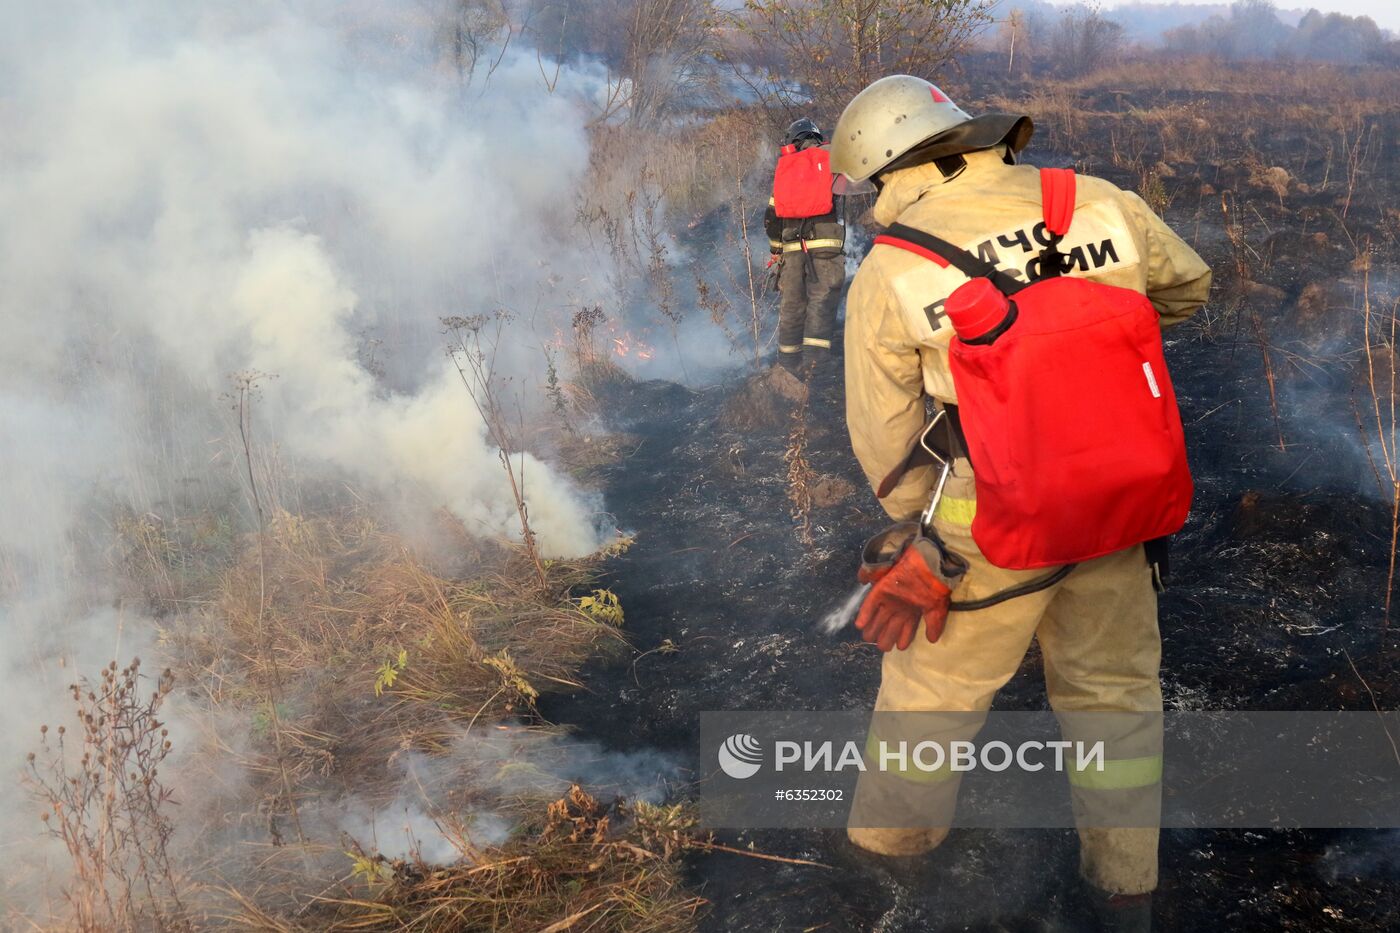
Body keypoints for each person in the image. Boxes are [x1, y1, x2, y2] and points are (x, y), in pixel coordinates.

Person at [830, 75, 1211, 931]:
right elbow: (1187, 291)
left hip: (984, 520)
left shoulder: (896, 268)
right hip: (1120, 498)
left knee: (931, 692)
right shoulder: (1102, 202)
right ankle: (1124, 892)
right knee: (1114, 698)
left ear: (888, 169)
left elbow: (884, 433)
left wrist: (920, 529)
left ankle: (889, 873)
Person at [765, 117, 846, 373]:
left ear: (792, 141)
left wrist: (777, 250)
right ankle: (816, 364)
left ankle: (788, 364)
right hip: (825, 244)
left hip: (791, 247)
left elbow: (771, 216)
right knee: (822, 297)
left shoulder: (786, 169)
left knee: (792, 303)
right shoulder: (829, 161)